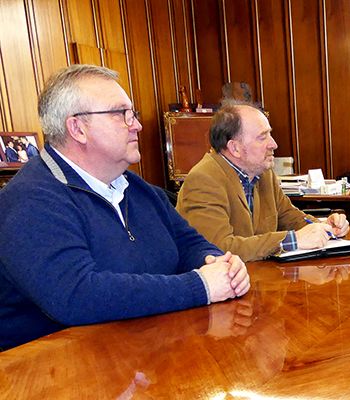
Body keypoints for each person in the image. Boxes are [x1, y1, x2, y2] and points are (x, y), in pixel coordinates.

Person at [0, 64, 250, 351]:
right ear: (77, 128)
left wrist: (221, 264)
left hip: (143, 352)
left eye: (133, 114)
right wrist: (200, 286)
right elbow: (76, 295)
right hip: (50, 373)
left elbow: (189, 244)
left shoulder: (138, 189)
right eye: (122, 114)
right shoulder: (30, 201)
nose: (137, 125)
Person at [176, 102, 350, 262]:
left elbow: (289, 217)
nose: (273, 144)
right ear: (235, 148)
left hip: (261, 279)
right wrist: (292, 240)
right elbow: (218, 248)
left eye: (270, 135)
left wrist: (324, 227)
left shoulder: (263, 173)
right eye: (262, 137)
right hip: (222, 289)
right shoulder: (204, 179)